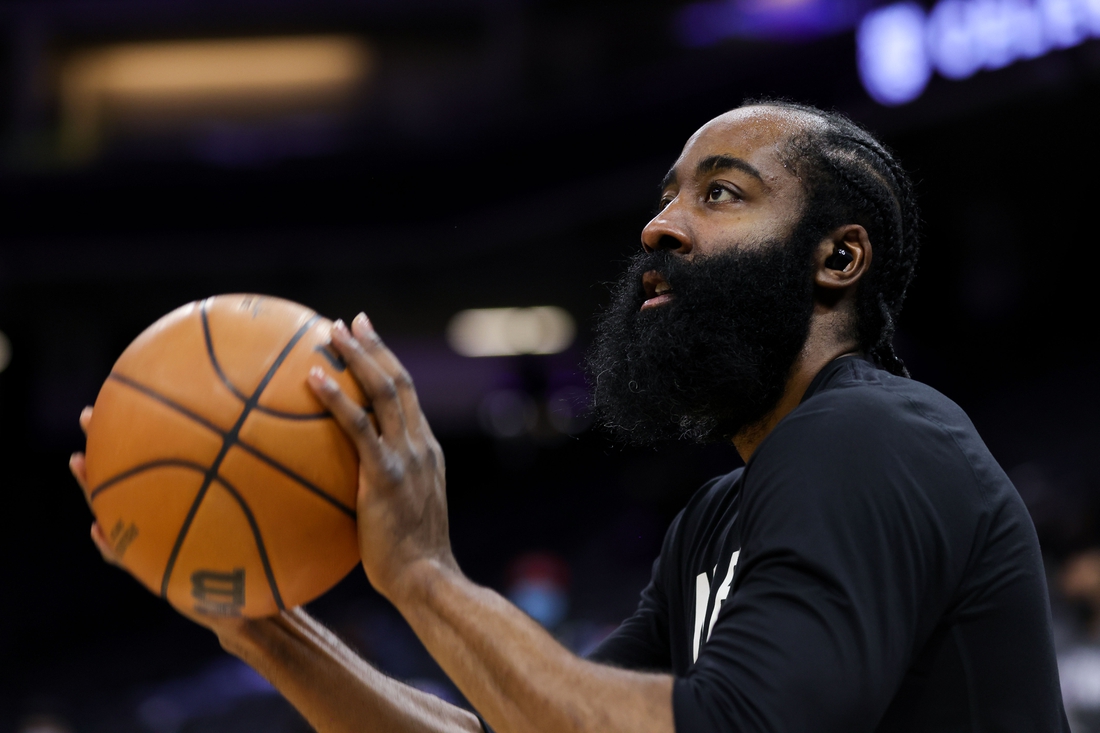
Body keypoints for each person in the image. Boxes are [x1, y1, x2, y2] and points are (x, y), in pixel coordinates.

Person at [71, 100, 1070, 732]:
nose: (658, 223)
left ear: (835, 260)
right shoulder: (719, 518)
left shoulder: (873, 435)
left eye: (720, 193)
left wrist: (421, 574)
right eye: (666, 193)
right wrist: (266, 630)